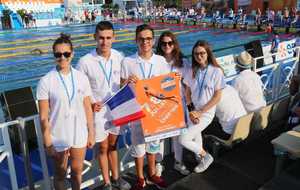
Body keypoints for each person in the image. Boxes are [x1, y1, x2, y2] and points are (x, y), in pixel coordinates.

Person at [77, 21, 131, 190]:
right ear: (95, 38)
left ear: (114, 38)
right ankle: (107, 182)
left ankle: (117, 177)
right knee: (103, 147)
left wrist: (128, 82)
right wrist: (92, 103)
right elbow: (80, 89)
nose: (104, 42)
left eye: (108, 38)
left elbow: (122, 82)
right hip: (98, 111)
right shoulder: (85, 62)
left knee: (114, 145)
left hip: (116, 108)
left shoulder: (119, 57)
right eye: (101, 38)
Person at [37, 33, 95, 190]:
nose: (62, 57)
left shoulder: (81, 78)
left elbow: (87, 108)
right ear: (54, 55)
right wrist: (48, 142)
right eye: (58, 54)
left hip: (79, 132)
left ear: (72, 54)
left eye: (66, 54)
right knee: (60, 174)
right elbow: (43, 116)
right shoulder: (46, 80)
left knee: (77, 173)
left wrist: (91, 132)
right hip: (58, 135)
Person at [121, 24, 169, 190]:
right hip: (137, 111)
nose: (145, 42)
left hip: (155, 111)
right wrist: (126, 82)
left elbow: (166, 85)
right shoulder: (127, 62)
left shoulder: (161, 61)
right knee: (138, 146)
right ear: (136, 40)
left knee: (153, 145)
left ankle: (153, 173)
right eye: (141, 39)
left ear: (153, 40)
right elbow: (122, 87)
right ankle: (140, 178)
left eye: (148, 38)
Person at [179, 40, 225, 173]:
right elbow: (187, 92)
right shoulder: (192, 70)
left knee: (184, 138)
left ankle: (206, 156)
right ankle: (200, 157)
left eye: (202, 53)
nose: (199, 56)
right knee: (196, 135)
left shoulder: (216, 72)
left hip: (206, 113)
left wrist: (200, 112)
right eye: (196, 54)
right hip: (193, 110)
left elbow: (217, 97)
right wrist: (191, 110)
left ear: (208, 53)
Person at [155, 31, 190, 176]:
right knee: (160, 136)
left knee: (177, 135)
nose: (167, 46)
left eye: (170, 43)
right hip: (161, 103)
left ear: (174, 44)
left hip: (178, 102)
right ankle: (158, 163)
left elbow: (188, 84)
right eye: (163, 43)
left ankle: (178, 161)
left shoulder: (183, 62)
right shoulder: (156, 61)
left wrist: (187, 102)